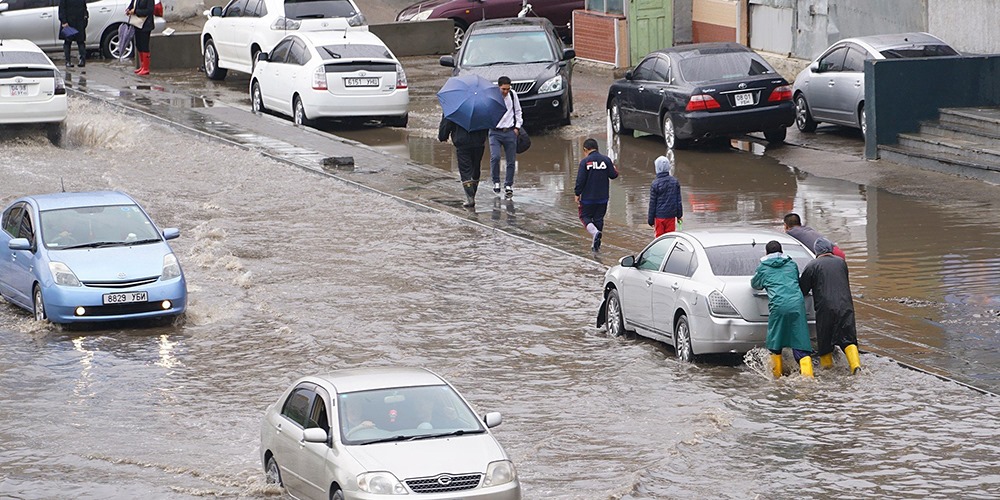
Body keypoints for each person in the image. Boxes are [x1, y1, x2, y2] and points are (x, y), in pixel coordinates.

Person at [751, 240, 814, 378]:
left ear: (766, 253)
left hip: (778, 306)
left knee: (775, 341)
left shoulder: (763, 267)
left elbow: (755, 284)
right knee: (800, 341)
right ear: (782, 252)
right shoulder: (792, 264)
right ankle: (808, 379)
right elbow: (796, 280)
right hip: (797, 304)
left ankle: (777, 380)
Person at [799, 237, 862, 374]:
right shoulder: (841, 263)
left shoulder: (812, 265)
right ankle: (856, 366)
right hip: (845, 306)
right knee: (848, 337)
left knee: (825, 340)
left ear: (817, 251)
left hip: (825, 308)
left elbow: (802, 289)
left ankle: (828, 370)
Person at [574, 138, 619, 252]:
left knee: (584, 217)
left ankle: (595, 233)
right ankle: (597, 245)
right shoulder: (606, 160)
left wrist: (577, 193)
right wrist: (614, 168)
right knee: (599, 219)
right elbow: (613, 175)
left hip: (588, 198)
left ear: (585, 149)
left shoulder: (585, 162)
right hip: (603, 198)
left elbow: (580, 180)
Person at [439, 113, 488, 207]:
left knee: (465, 171)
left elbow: (447, 122)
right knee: (475, 168)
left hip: (462, 142)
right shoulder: (481, 104)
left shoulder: (453, 106)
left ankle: (470, 198)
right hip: (479, 141)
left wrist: (443, 136)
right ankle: (472, 194)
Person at [489, 76, 522, 198]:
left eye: (508, 89)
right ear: (499, 87)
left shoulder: (513, 95)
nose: (506, 92)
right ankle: (496, 182)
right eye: (503, 89)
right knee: (495, 157)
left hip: (510, 131)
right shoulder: (493, 96)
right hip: (495, 132)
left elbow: (518, 111)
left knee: (511, 160)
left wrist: (517, 127)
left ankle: (508, 185)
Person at [647, 155, 683, 237]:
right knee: (670, 236)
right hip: (671, 216)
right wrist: (679, 215)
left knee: (659, 237)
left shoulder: (655, 184)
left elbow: (652, 204)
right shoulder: (675, 182)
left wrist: (650, 220)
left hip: (659, 217)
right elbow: (678, 201)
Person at [126, 0, 155, 76]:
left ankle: (146, 68)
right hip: (137, 24)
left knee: (144, 45)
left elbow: (149, 11)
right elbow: (132, 4)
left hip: (145, 25)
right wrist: (128, 10)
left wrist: (135, 11)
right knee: (138, 44)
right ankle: (142, 66)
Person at [58, 0, 88, 68]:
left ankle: (82, 60)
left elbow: (84, 8)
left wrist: (85, 19)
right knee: (68, 42)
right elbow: (62, 9)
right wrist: (64, 21)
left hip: (79, 22)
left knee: (80, 41)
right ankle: (68, 61)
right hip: (68, 22)